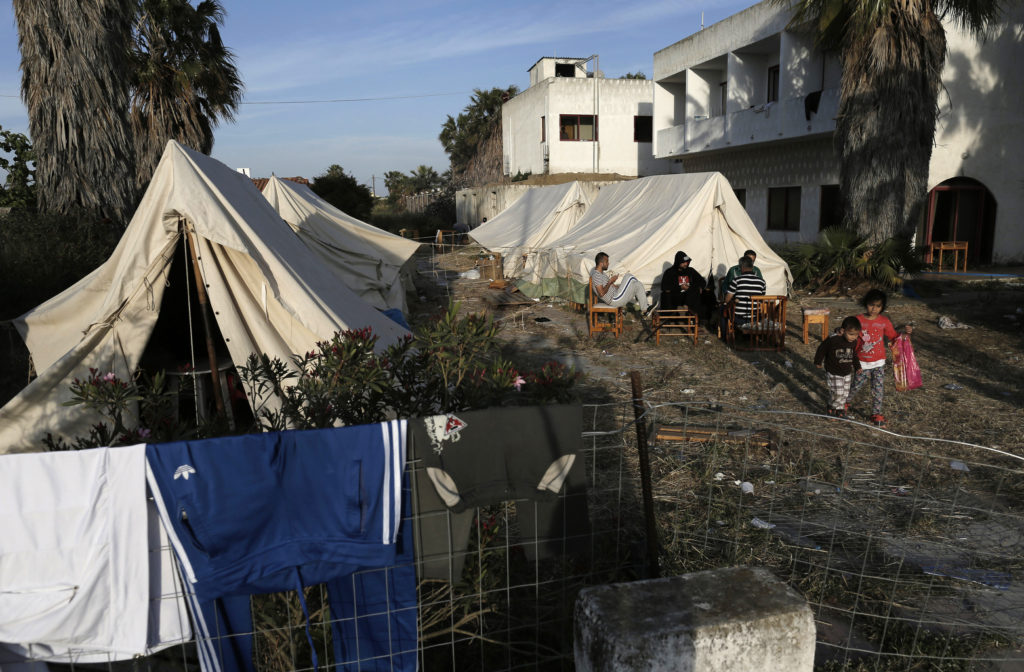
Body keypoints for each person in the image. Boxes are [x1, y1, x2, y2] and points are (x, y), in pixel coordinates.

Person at [848, 288, 913, 428]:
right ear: (866, 304)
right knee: (855, 386)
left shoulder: (884, 321)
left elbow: (894, 337)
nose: (874, 308)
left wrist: (905, 335)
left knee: (878, 389)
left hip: (878, 363)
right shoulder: (857, 320)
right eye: (872, 305)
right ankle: (844, 402)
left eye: (878, 306)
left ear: (882, 307)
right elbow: (848, 333)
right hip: (862, 363)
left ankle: (876, 413)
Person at [814, 316, 862, 418]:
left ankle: (840, 409)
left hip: (847, 372)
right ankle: (831, 407)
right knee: (837, 393)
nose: (854, 337)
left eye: (856, 335)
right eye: (851, 334)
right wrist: (818, 361)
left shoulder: (853, 342)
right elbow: (822, 348)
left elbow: (853, 355)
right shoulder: (834, 339)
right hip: (834, 372)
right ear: (843, 331)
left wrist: (857, 367)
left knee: (845, 394)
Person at [723, 256, 766, 325]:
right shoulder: (762, 282)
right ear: (752, 267)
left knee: (723, 309)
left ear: (741, 267)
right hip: (756, 318)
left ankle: (724, 335)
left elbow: (727, 299)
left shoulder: (736, 280)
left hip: (740, 318)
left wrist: (731, 300)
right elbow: (761, 299)